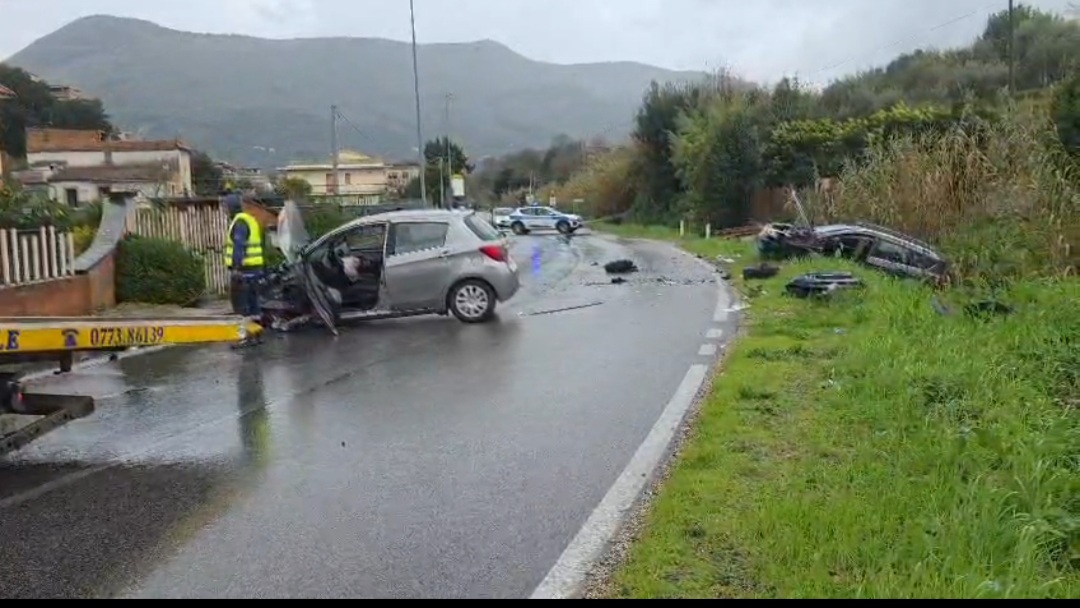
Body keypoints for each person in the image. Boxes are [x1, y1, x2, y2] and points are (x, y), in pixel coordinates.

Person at [224, 190, 266, 319]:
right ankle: (256, 328)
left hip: (244, 270)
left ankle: (247, 329)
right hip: (255, 269)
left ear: (231, 207)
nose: (225, 210)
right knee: (254, 306)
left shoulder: (240, 222)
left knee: (243, 309)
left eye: (226, 207)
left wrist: (236, 268)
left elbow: (239, 245)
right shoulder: (250, 220)